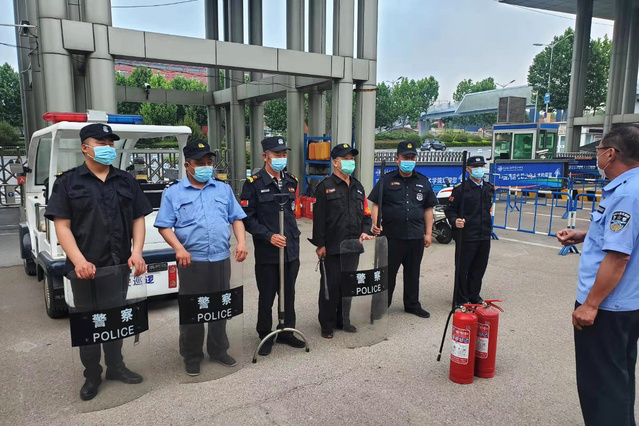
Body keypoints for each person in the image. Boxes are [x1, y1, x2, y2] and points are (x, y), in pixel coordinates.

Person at [44, 123, 152, 401]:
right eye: (101, 143)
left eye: (110, 144)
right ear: (85, 148)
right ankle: (92, 374)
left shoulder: (125, 181)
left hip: (119, 266)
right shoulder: (68, 182)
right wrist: (79, 260)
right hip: (85, 270)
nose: (108, 148)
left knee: (116, 318)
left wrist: (137, 252)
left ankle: (116, 367)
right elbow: (62, 226)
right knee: (89, 323)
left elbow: (138, 218)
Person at [557, 125, 639, 426]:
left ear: (611, 154)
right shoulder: (632, 186)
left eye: (599, 150)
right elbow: (624, 237)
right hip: (627, 303)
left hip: (608, 306)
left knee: (602, 387)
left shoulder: (627, 194)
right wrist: (585, 235)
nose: (597, 156)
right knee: (618, 378)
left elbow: (618, 257)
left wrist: (590, 305)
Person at [154, 139, 248, 376]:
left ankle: (218, 350)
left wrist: (242, 242)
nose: (206, 166)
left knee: (219, 306)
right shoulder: (174, 192)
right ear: (187, 165)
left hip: (220, 258)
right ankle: (192, 355)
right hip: (191, 261)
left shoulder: (223, 189)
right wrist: (179, 248)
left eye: (209, 162)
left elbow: (236, 218)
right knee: (193, 310)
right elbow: (164, 226)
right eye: (200, 163)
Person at [240, 136, 306, 356]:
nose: (281, 158)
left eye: (284, 154)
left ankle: (286, 331)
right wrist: (268, 236)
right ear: (265, 156)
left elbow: (291, 213)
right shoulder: (253, 184)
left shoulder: (291, 181)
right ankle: (265, 333)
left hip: (291, 249)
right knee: (267, 294)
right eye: (277, 154)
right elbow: (247, 218)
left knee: (289, 293)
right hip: (268, 251)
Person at [309, 143, 374, 339]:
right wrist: (320, 245)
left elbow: (366, 214)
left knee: (348, 285)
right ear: (335, 162)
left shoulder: (358, 186)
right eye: (346, 159)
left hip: (353, 246)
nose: (350, 162)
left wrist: (365, 231)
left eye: (352, 159)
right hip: (332, 246)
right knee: (331, 285)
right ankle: (327, 323)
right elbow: (319, 219)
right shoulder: (325, 187)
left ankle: (343, 319)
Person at [368, 141, 437, 318]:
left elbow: (428, 209)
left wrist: (428, 233)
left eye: (412, 157)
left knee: (413, 273)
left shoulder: (423, 181)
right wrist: (376, 223)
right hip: (392, 236)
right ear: (397, 159)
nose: (409, 161)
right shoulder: (386, 180)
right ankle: (382, 306)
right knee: (387, 273)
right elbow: (376, 204)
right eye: (406, 157)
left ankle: (412, 304)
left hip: (415, 236)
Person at [444, 155, 493, 305]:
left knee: (479, 268)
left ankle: (474, 295)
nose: (479, 169)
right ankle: (461, 298)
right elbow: (450, 210)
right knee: (462, 269)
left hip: (484, 234)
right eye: (475, 167)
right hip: (466, 235)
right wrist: (455, 220)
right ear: (468, 169)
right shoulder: (460, 189)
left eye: (481, 166)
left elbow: (488, 209)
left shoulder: (488, 188)